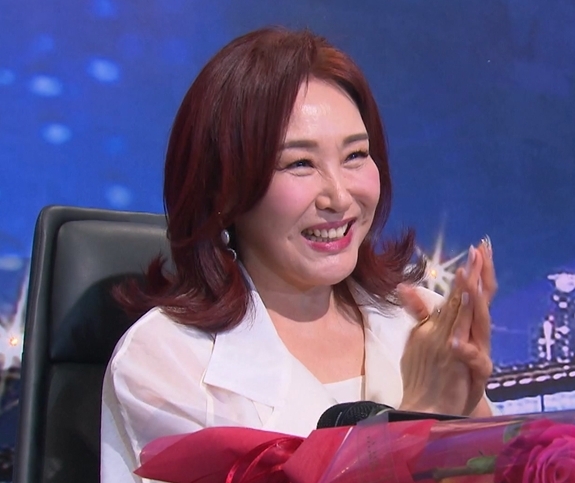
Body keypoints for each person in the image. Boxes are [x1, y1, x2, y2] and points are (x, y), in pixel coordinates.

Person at [100, 26, 497, 483]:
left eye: (355, 155)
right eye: (300, 163)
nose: (339, 197)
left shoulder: (423, 321)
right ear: (224, 190)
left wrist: (474, 416)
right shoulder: (165, 360)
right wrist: (422, 417)